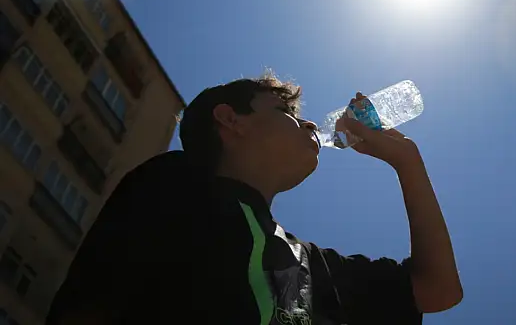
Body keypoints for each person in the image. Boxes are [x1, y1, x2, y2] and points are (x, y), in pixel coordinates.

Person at [46, 74, 462, 324]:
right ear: (231, 121)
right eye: (288, 113)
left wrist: (407, 162)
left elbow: (438, 290)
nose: (313, 124)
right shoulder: (177, 184)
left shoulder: (309, 266)